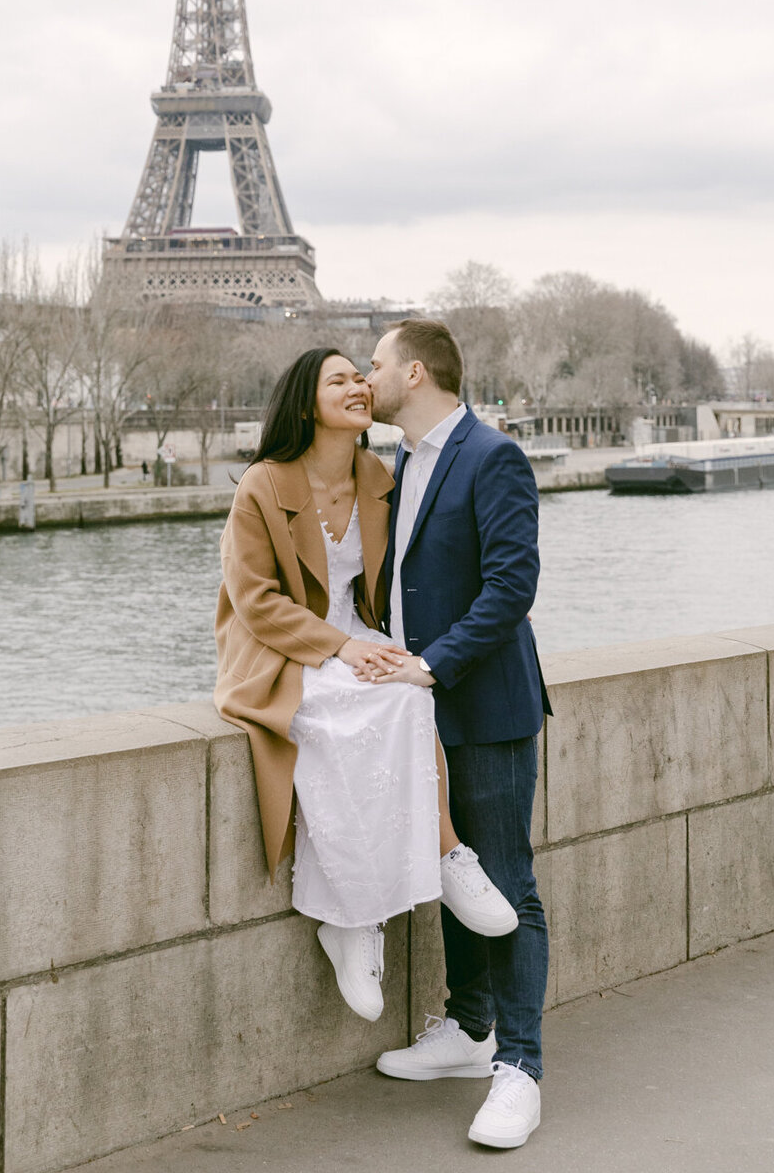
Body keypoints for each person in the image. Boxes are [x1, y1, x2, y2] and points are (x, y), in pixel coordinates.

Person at [214, 347, 516, 1025]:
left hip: (357, 642)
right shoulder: (263, 484)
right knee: (340, 713)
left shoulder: (381, 475)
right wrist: (341, 646)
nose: (357, 386)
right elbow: (256, 601)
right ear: (303, 403)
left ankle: (435, 862)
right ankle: (354, 921)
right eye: (339, 380)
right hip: (284, 653)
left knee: (409, 694)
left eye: (360, 375)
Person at [365, 319, 551, 1151]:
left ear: (414, 371)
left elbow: (513, 587)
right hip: (423, 708)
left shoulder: (492, 455)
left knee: (507, 881)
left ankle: (520, 1068)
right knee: (453, 871)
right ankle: (471, 1030)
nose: (365, 377)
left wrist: (431, 665)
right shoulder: (403, 460)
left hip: (484, 706)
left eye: (374, 364)